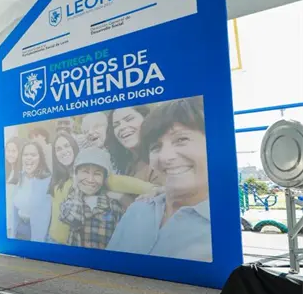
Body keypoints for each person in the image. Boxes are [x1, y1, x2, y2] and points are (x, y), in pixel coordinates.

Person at [106, 97, 212, 261]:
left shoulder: (214, 229)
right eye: (155, 147)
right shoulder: (138, 210)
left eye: (181, 140)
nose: (165, 157)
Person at [58, 148, 126, 249]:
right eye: (85, 172)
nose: (90, 179)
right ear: (75, 174)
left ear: (104, 178)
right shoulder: (71, 200)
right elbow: (73, 219)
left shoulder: (113, 205)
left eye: (97, 174)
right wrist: (76, 188)